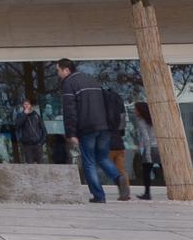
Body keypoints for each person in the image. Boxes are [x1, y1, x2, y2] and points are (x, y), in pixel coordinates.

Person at [58, 58, 124, 203]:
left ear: (66, 70)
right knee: (103, 157)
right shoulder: (92, 80)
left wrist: (71, 133)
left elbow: (70, 111)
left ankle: (99, 196)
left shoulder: (69, 83)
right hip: (104, 127)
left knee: (89, 162)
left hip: (87, 128)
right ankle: (119, 177)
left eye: (58, 70)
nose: (58, 74)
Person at [132, 101, 161, 199]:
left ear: (140, 111)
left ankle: (147, 193)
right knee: (162, 169)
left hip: (150, 148)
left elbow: (146, 139)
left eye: (135, 109)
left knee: (146, 172)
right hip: (158, 147)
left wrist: (148, 155)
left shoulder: (141, 122)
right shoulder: (153, 120)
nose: (134, 111)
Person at [14, 99, 48, 163]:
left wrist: (41, 142)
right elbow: (17, 126)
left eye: (28, 104)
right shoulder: (20, 116)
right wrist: (24, 114)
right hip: (27, 146)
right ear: (23, 106)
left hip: (38, 144)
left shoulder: (36, 115)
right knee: (30, 166)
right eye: (25, 104)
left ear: (30, 105)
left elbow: (44, 129)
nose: (27, 106)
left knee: (41, 165)